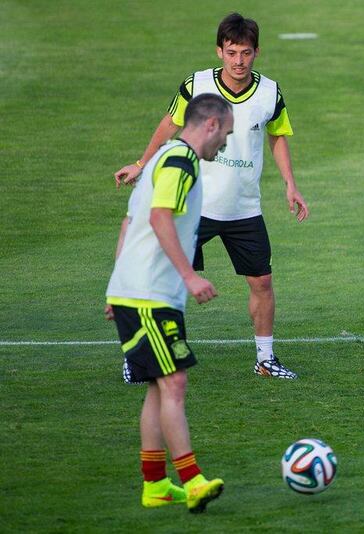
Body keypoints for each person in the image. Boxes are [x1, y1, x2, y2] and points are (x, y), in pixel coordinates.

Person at [114, 12, 308, 379]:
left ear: (257, 52)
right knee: (161, 276)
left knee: (262, 282)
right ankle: (140, 356)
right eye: (232, 52)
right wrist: (142, 163)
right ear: (219, 51)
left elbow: (278, 135)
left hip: (244, 208)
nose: (239, 61)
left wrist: (290, 184)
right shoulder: (197, 84)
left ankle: (265, 359)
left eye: (246, 53)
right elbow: (170, 123)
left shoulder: (270, 92)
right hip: (193, 206)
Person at [106, 93, 233, 511]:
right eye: (226, 134)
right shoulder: (180, 162)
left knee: (161, 389)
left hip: (141, 290)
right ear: (210, 125)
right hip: (149, 292)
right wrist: (190, 275)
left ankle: (156, 485)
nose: (226, 144)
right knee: (174, 383)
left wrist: (115, 282)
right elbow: (159, 217)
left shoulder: (166, 157)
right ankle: (192, 480)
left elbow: (130, 219)